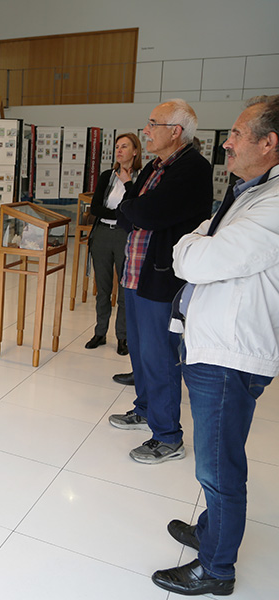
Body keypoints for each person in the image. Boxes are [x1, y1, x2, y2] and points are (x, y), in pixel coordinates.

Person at [152, 95, 279, 596]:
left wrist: (192, 247)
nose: (227, 141)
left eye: (238, 134)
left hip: (232, 353)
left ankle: (217, 568)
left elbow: (199, 256)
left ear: (270, 143)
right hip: (214, 346)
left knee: (219, 467)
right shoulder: (249, 193)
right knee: (216, 459)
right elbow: (198, 238)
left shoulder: (272, 204)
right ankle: (210, 533)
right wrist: (195, 244)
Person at [108, 99, 212, 464]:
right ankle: (146, 409)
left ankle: (168, 436)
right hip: (136, 276)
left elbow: (148, 212)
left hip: (160, 280)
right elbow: (130, 206)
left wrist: (135, 210)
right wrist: (135, 209)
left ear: (175, 131)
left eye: (153, 124)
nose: (146, 131)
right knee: (140, 351)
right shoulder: (156, 165)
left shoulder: (192, 169)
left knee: (160, 357)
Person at [85, 133, 142, 356]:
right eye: (117, 146)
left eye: (124, 146)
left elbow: (137, 205)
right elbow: (95, 208)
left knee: (125, 289)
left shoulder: (140, 177)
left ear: (135, 151)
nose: (119, 150)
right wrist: (121, 213)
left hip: (125, 236)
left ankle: (123, 336)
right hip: (102, 234)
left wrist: (127, 184)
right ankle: (100, 332)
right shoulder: (107, 175)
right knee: (103, 288)